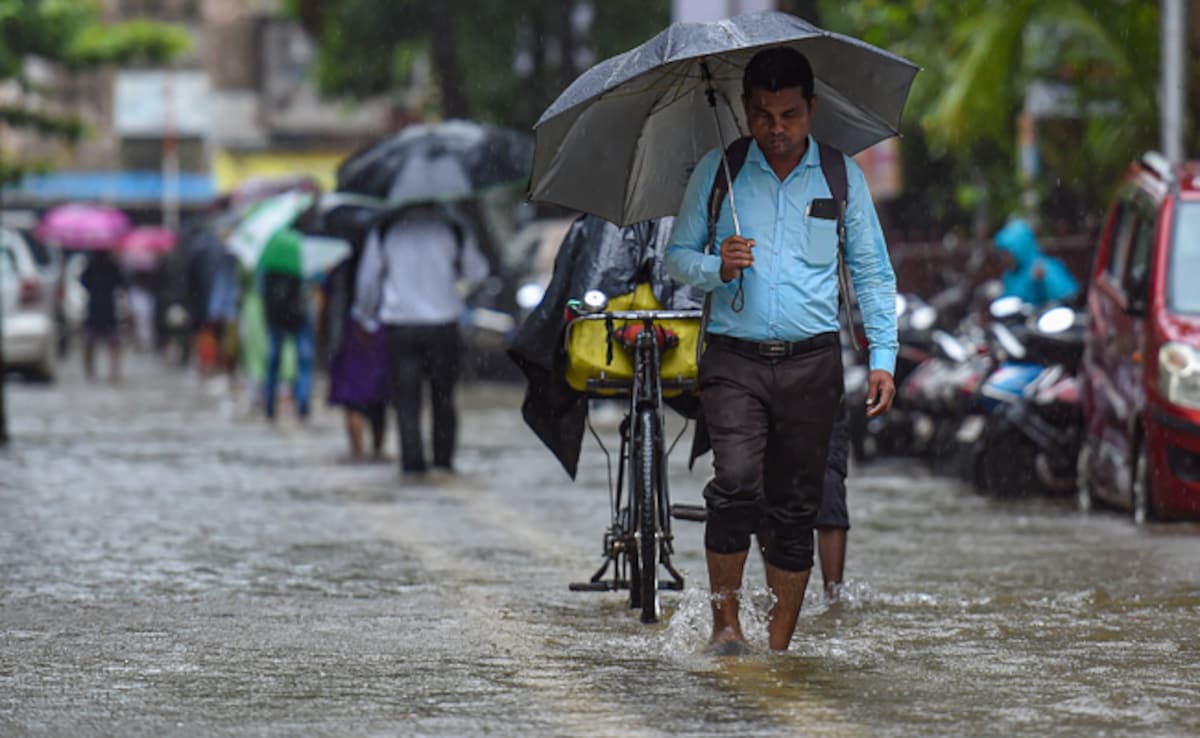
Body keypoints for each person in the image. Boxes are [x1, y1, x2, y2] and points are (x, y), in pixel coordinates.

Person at [664, 47, 898, 653]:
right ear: (745, 110)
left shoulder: (842, 177)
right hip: (734, 361)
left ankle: (777, 648)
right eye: (763, 115)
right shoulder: (720, 173)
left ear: (811, 109)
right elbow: (678, 256)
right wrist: (719, 266)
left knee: (798, 504)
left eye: (789, 115)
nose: (775, 129)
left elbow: (872, 273)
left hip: (812, 362)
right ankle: (724, 627)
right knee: (736, 482)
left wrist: (883, 359)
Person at [353, 203, 488, 477]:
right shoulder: (453, 228)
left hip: (401, 326)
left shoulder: (386, 230)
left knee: (406, 401)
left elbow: (368, 281)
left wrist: (365, 318)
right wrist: (453, 282)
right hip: (443, 325)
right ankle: (443, 463)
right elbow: (478, 273)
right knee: (444, 398)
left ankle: (412, 466)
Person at [258, 227, 315, 421]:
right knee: (304, 361)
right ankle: (303, 403)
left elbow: (261, 290)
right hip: (299, 316)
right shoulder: (300, 252)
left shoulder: (268, 258)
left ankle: (269, 406)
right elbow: (314, 280)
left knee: (273, 362)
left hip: (276, 317)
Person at [993, 218, 1079, 306]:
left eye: (1007, 254)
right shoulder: (1009, 276)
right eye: (1002, 254)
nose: (1004, 259)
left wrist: (1042, 283)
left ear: (1020, 249)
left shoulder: (1046, 268)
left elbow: (1066, 295)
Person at [79, 250, 127, 383]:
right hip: (103, 309)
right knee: (97, 341)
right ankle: (110, 371)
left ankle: (99, 371)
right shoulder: (99, 266)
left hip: (99, 309)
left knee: (97, 341)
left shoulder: (99, 266)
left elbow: (83, 282)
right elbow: (122, 284)